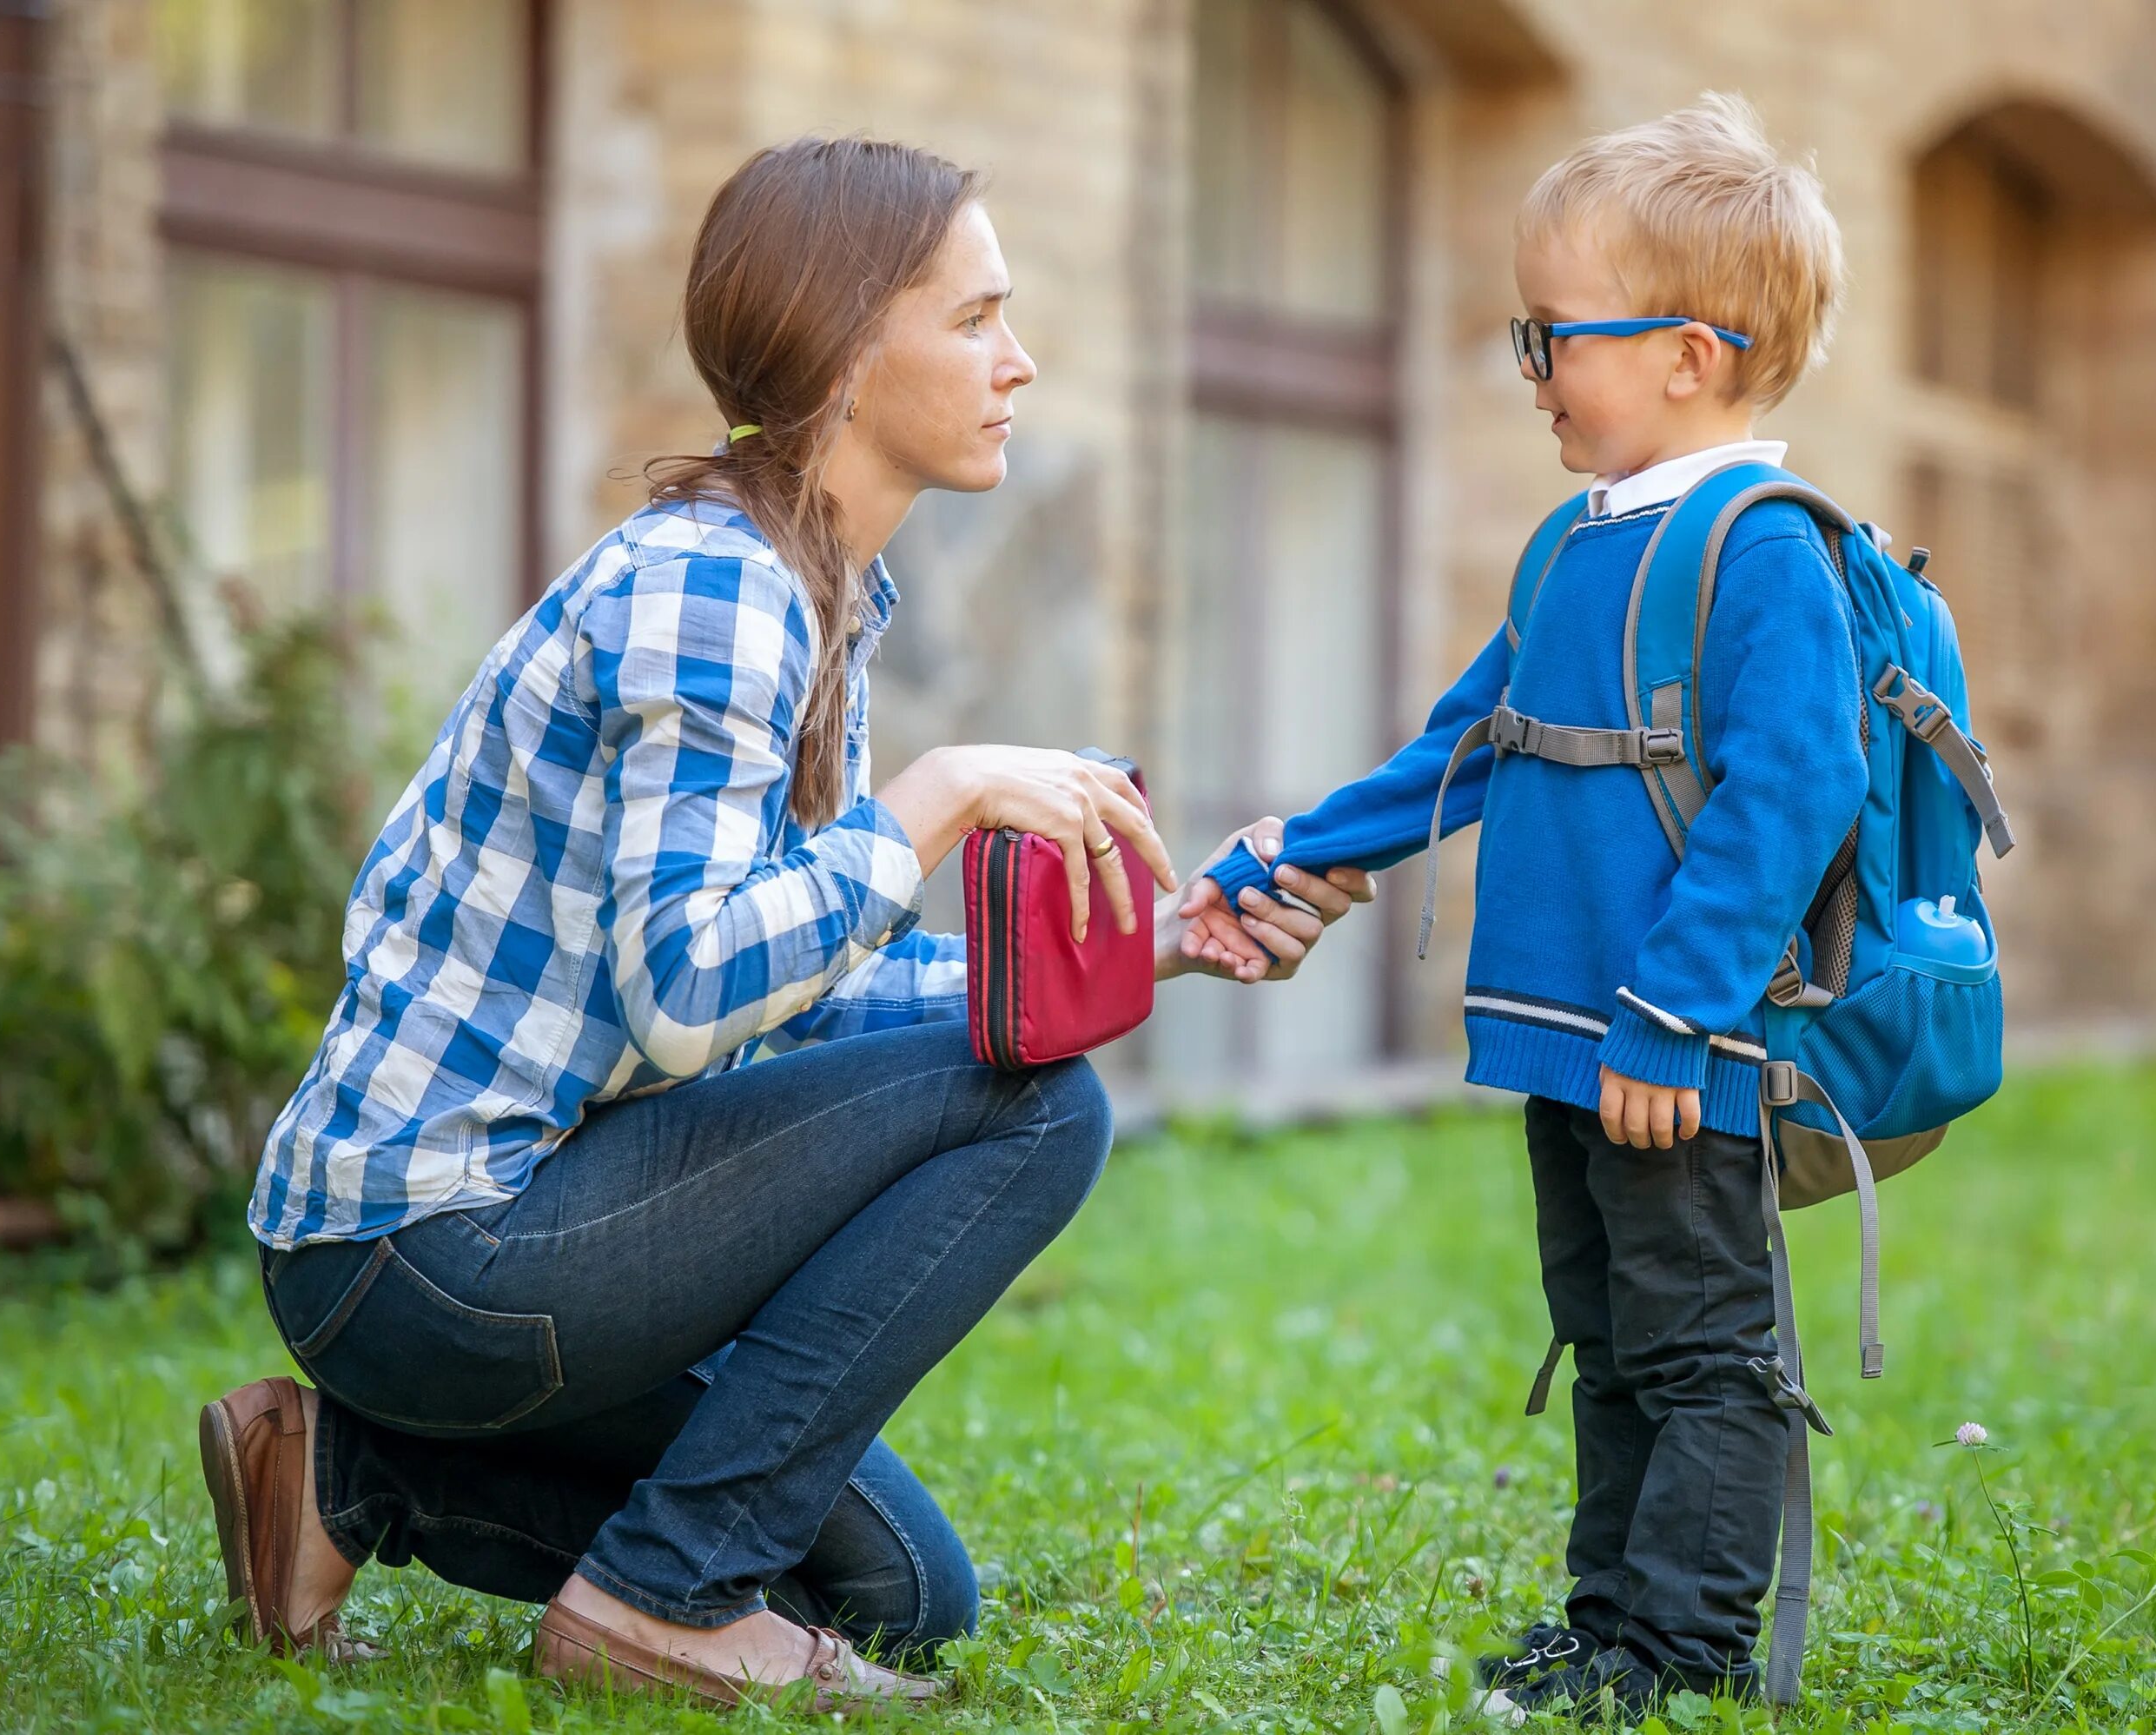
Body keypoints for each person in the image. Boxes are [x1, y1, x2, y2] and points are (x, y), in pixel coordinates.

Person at [196, 136, 1373, 1712]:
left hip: (483, 1254)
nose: (1018, 362)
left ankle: (346, 1476)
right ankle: (660, 1606)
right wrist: (944, 794)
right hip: (430, 1245)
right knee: (1042, 1110)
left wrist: (1149, 940)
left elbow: (802, 991)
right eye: (975, 319)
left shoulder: (810, 599)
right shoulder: (715, 590)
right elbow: (689, 993)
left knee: (899, 1593)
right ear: (840, 340)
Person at [1200, 96, 1862, 1714]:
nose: (1533, 368)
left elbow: (1796, 794)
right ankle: (1606, 1618)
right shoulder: (1573, 542)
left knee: (1704, 1349)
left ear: (1689, 356)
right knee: (1609, 1333)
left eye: (1551, 334)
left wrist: (1676, 1011)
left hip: (1670, 1041)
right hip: (1573, 1044)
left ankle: (1680, 1647)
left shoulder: (1762, 550)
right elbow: (1463, 746)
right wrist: (1295, 855)